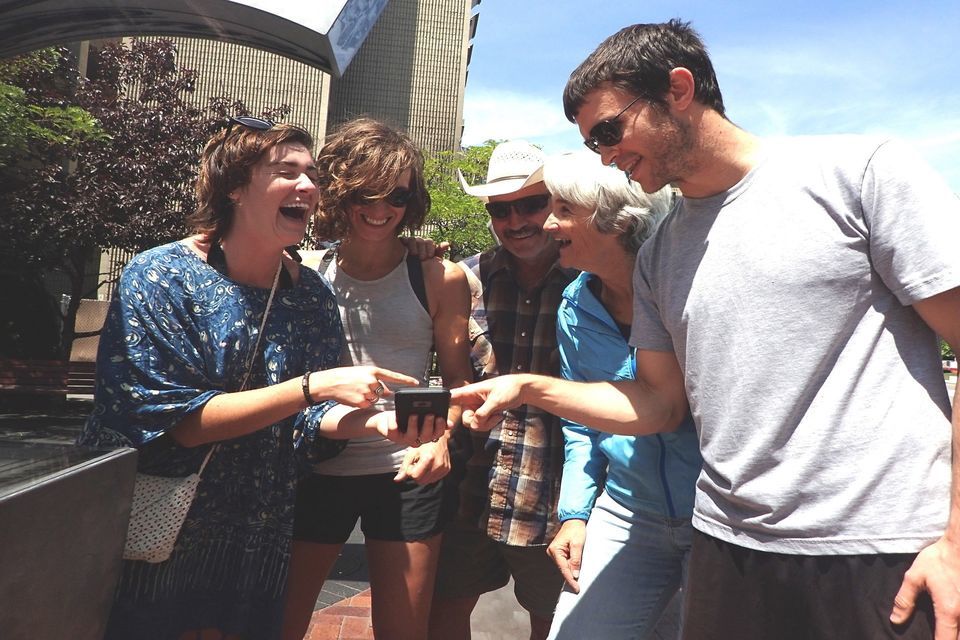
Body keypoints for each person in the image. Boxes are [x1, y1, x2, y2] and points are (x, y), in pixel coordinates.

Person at [451, 19, 960, 640]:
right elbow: (658, 403)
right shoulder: (663, 251)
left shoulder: (856, 173)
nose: (605, 155)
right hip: (726, 546)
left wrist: (956, 543)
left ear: (679, 89)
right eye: (592, 144)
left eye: (609, 130)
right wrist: (528, 388)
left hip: (876, 546)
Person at [77, 118, 439, 640]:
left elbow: (308, 421)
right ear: (234, 187)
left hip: (259, 532)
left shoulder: (307, 292)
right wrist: (312, 386)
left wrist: (374, 425)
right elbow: (181, 422)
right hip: (164, 526)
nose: (309, 187)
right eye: (286, 171)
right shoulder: (159, 277)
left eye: (312, 174)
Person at [282, 118, 473, 640]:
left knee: (404, 631)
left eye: (397, 195)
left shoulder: (437, 275)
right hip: (319, 466)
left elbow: (458, 384)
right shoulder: (304, 272)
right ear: (340, 190)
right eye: (367, 192)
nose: (381, 207)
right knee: (281, 623)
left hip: (407, 468)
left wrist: (443, 440)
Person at [538, 151, 701, 640]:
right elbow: (583, 426)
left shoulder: (690, 290)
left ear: (616, 218)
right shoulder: (574, 308)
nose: (548, 223)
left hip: (716, 516)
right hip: (630, 510)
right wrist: (574, 515)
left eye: (564, 209)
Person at [427, 140, 575, 640]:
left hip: (553, 495)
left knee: (554, 624)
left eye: (531, 204)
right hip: (474, 485)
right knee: (444, 613)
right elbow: (455, 380)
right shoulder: (463, 280)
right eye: (501, 209)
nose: (516, 221)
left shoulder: (593, 280)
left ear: (556, 201)